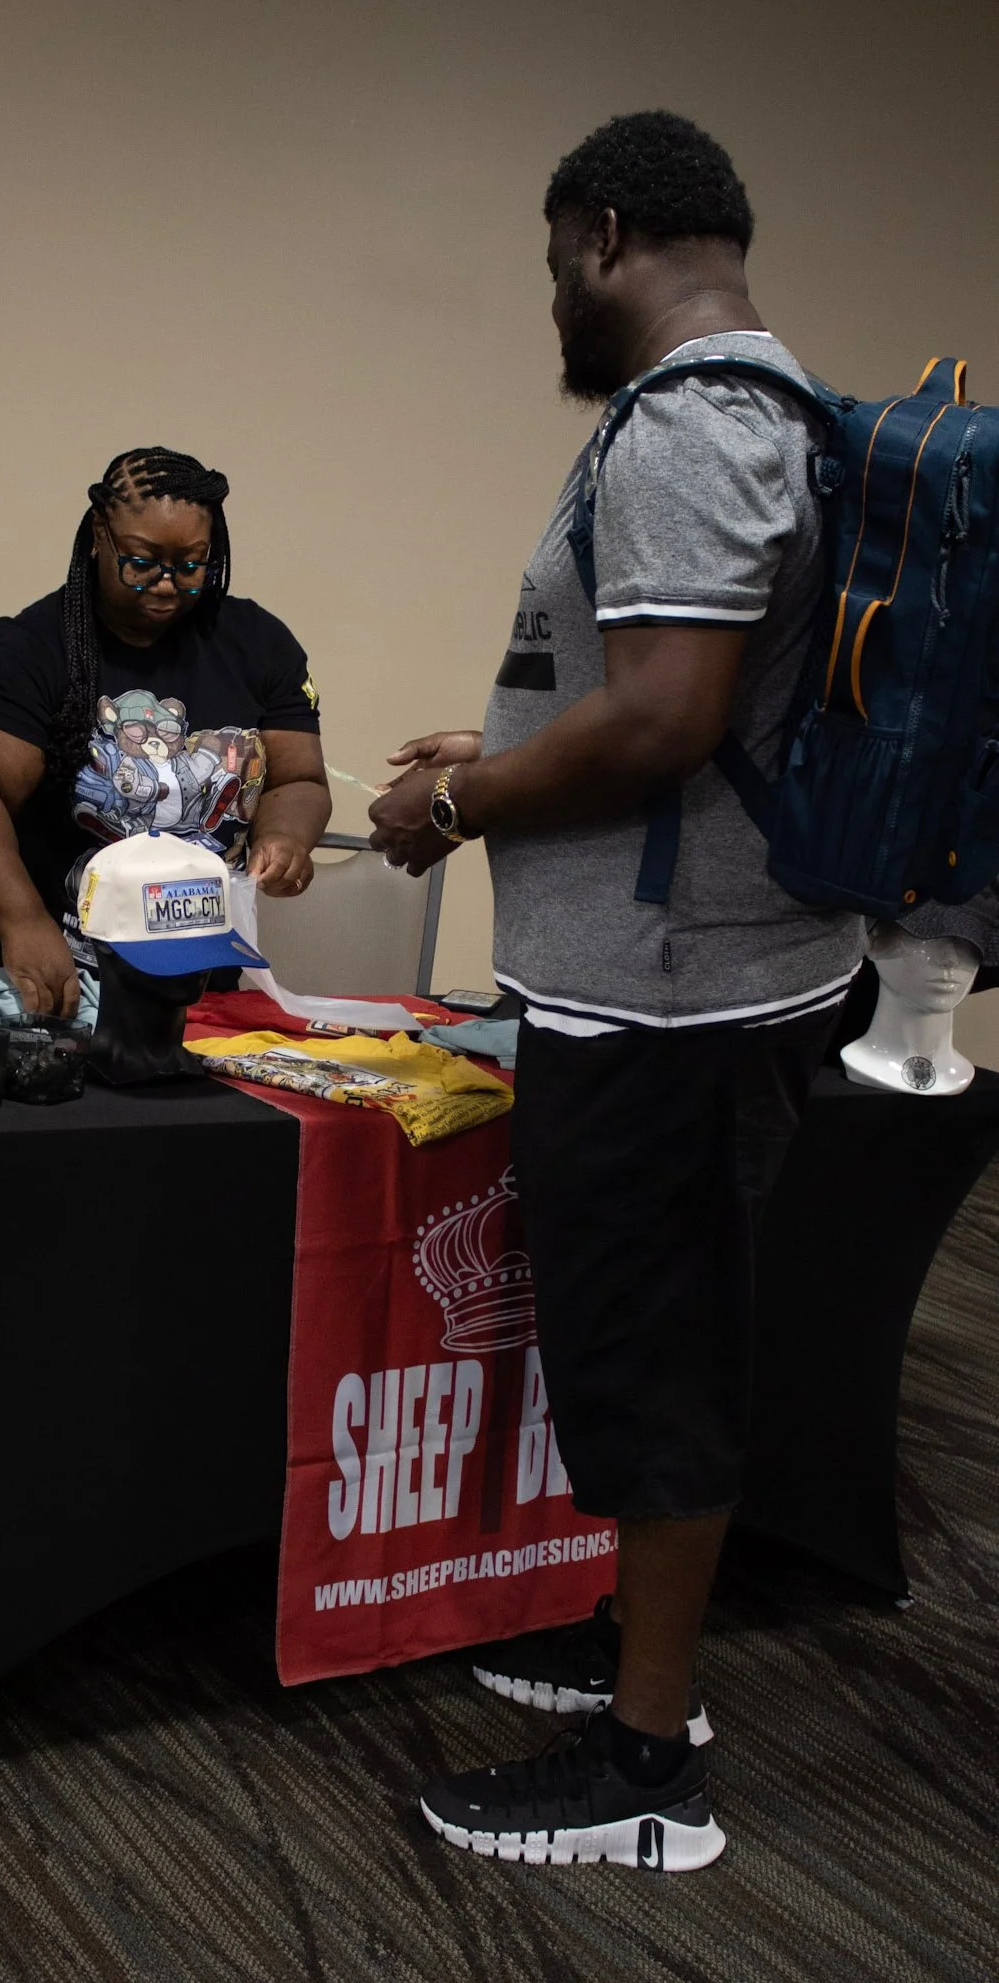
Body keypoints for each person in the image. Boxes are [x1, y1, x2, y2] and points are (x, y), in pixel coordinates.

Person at [370, 111, 863, 1871]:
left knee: (656, 1359)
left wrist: (462, 800)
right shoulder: (773, 408)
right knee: (647, 1339)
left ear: (599, 233)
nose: (553, 306)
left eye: (549, 268)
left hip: (672, 997)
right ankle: (632, 1659)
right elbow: (663, 685)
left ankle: (652, 1767)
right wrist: (501, 731)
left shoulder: (686, 425)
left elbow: (666, 718)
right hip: (705, 967)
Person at [0, 447, 331, 1013]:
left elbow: (298, 779)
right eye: (141, 561)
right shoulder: (34, 647)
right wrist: (22, 923)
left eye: (190, 566)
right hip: (59, 977)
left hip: (198, 983)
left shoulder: (259, 644)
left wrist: (286, 839)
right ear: (98, 539)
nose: (165, 585)